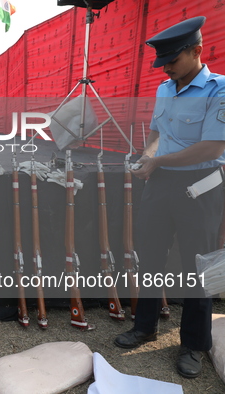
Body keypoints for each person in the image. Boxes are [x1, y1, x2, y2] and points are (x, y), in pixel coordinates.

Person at [113, 16, 225, 379]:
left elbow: (212, 145)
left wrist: (157, 160)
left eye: (173, 61)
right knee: (150, 257)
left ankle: (194, 343)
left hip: (200, 185)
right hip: (160, 183)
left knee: (197, 267)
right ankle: (145, 325)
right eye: (163, 64)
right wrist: (148, 156)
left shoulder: (218, 90)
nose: (168, 69)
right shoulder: (165, 88)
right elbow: (157, 132)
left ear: (197, 50)